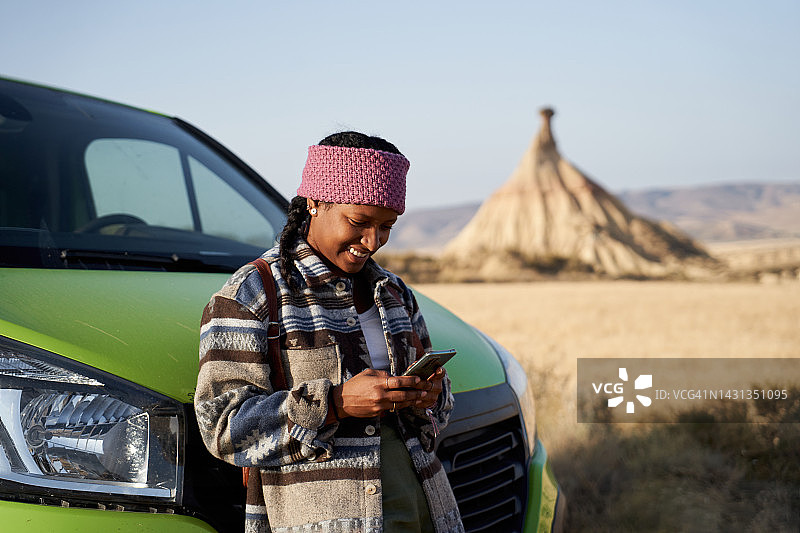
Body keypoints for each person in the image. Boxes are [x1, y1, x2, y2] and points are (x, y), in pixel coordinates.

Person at [194, 131, 464, 533]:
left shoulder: (393, 293)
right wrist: (335, 403)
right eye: (360, 222)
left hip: (427, 507)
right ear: (316, 203)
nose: (373, 241)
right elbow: (222, 429)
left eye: (387, 226)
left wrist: (429, 396)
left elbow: (439, 410)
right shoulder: (252, 294)